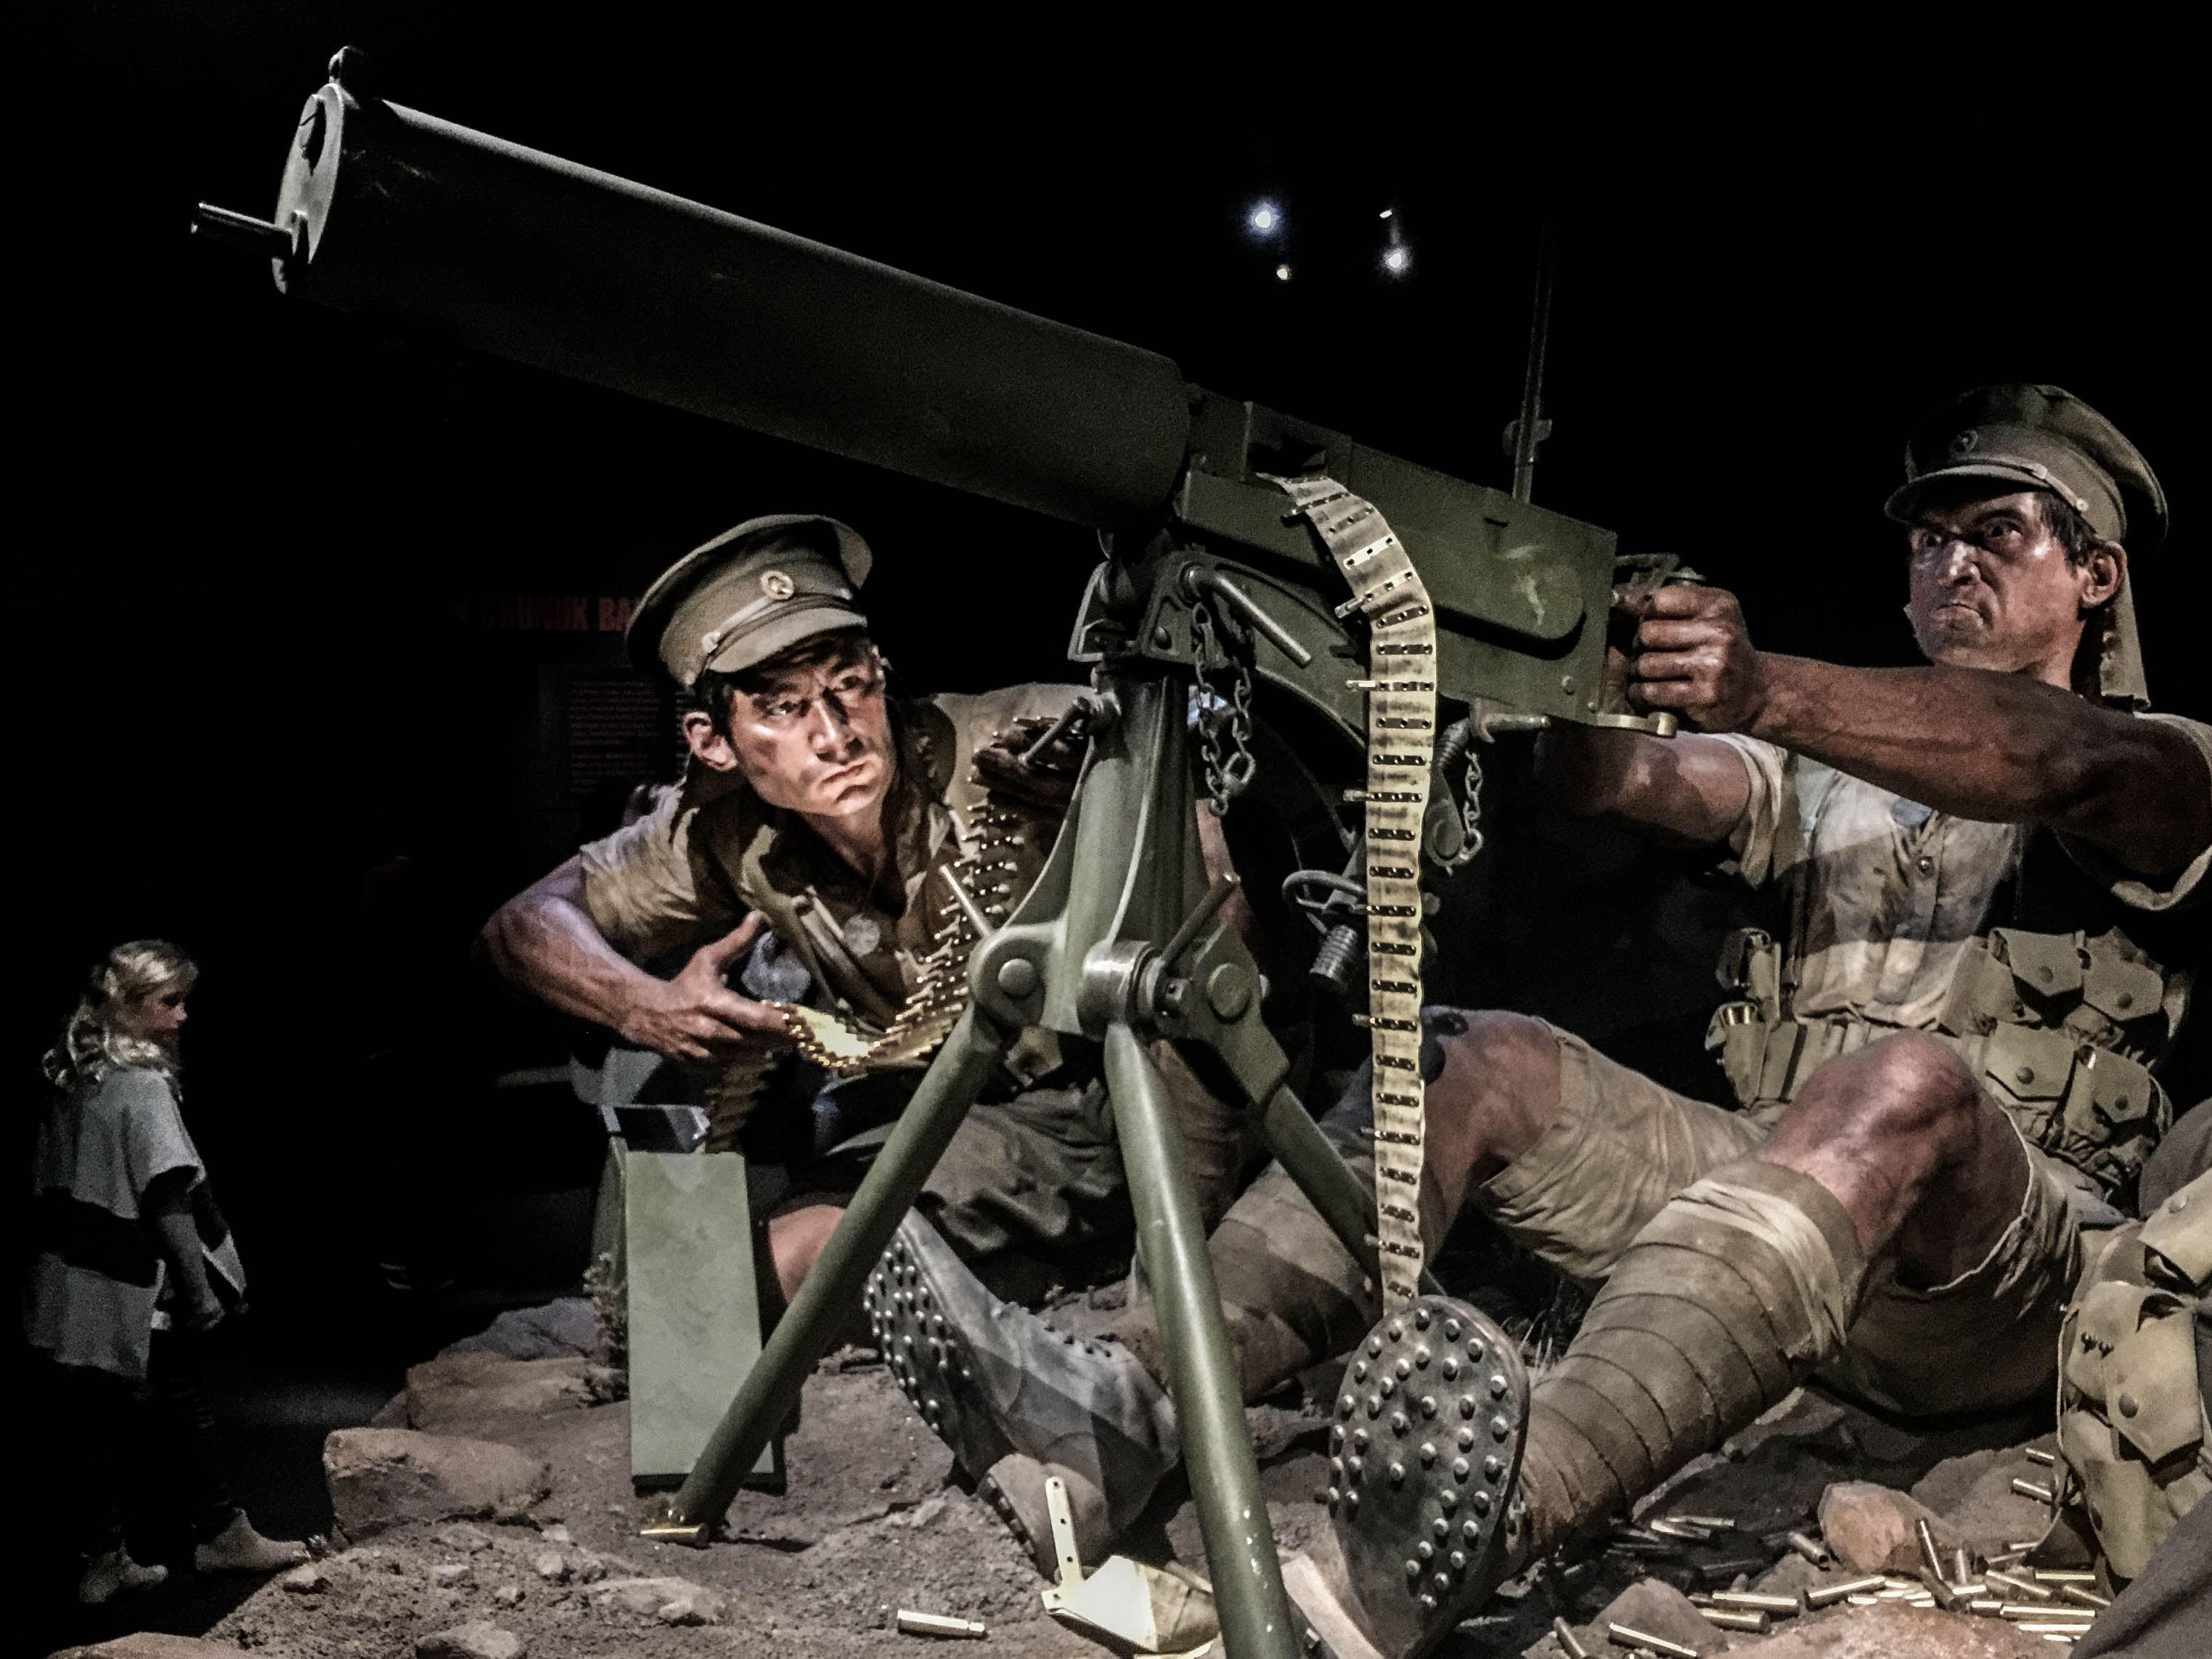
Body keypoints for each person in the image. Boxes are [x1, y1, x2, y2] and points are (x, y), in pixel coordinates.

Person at [868, 384, 2212, 1651]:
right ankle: (1125, 1401)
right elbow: (1624, 782)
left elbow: (2057, 760)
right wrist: (1582, 674)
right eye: (1927, 540)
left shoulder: (2161, 760)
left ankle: (1474, 1524)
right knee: (1478, 1053)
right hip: (1779, 1218)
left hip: (2004, 1281)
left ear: (2094, 575)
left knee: (1905, 1085)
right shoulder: (1818, 773)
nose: (1950, 565)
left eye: (1995, 533)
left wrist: (1762, 685)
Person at [481, 515, 1250, 1533]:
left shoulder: (1029, 740)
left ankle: (1119, 1355)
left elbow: (1210, 918)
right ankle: (1034, 1278)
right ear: (714, 740)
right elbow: (523, 925)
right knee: (747, 1281)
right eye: (782, 707)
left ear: (883, 676)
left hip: (1145, 1099)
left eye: (850, 684)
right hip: (980, 1123)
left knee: (838, 1265)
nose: (835, 732)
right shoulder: (727, 834)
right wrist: (645, 1004)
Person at [26, 940, 310, 1606]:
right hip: (136, 1282)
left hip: (80, 1279)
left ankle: (103, 1556)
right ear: (127, 1005)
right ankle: (221, 1533)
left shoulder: (77, 1077)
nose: (183, 1016)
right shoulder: (142, 1086)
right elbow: (166, 1193)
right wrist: (201, 1288)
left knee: (94, 1420)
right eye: (168, 1002)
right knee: (181, 1406)